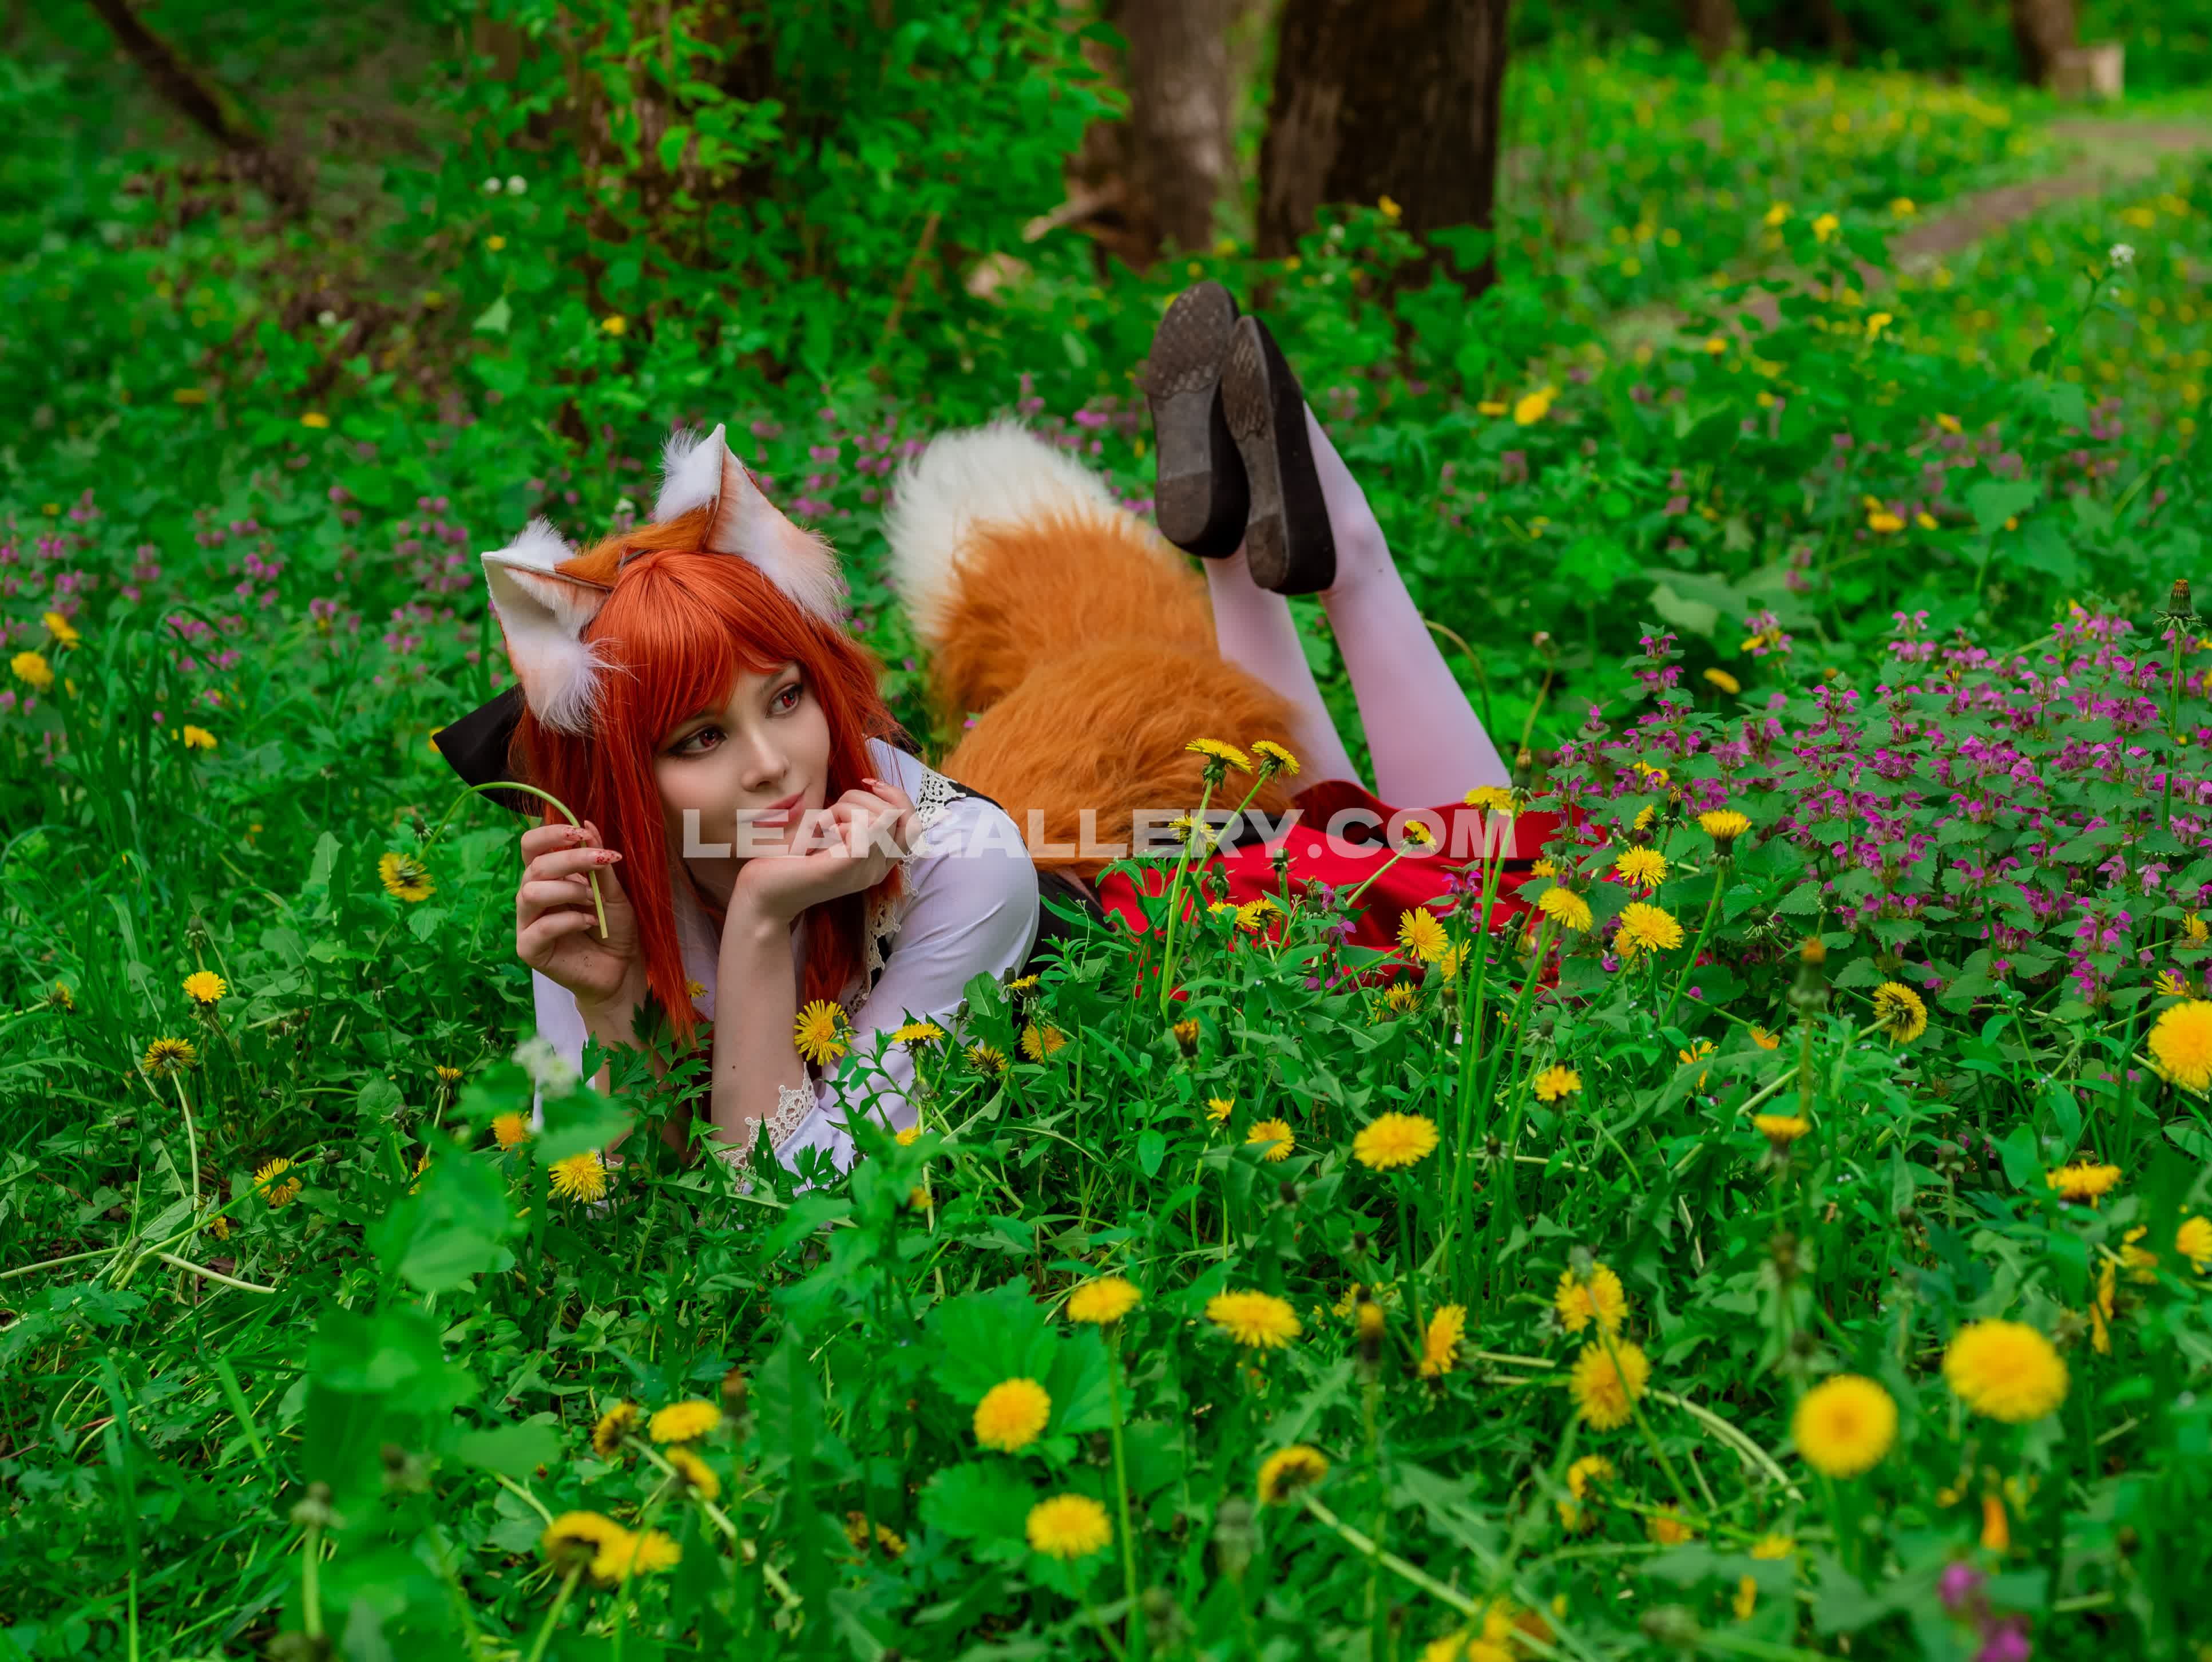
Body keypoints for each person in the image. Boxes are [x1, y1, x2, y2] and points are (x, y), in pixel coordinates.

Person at [439, 282, 1552, 1176]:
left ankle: (1347, 553)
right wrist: (609, 1006)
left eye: (785, 699)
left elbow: (799, 1199)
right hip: (1080, 852)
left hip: (1165, 944)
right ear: (620, 777)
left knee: (1482, 897)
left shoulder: (964, 865)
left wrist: (762, 923)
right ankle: (1230, 557)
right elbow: (607, 1210)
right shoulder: (597, 872)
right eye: (698, 741)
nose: (774, 765)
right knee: (1349, 818)